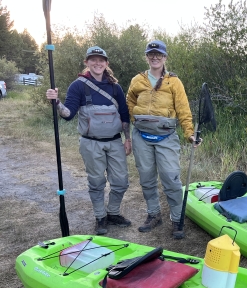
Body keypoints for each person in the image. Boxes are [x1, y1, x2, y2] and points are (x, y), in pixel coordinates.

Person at [46, 46, 132, 235]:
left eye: (101, 60)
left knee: (121, 181)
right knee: (96, 182)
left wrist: (128, 139)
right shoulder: (78, 85)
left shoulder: (115, 87)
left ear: (106, 63)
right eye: (93, 60)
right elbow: (68, 114)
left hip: (115, 141)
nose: (97, 63)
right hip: (90, 143)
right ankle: (100, 218)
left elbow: (124, 114)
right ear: (87, 62)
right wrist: (57, 102)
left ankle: (113, 213)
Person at [127, 40, 201, 239]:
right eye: (151, 54)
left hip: (166, 137)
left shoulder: (173, 82)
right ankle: (154, 214)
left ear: (165, 57)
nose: (155, 57)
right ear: (147, 57)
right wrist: (135, 119)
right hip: (141, 136)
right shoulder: (137, 80)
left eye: (158, 54)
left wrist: (189, 133)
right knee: (147, 177)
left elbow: (184, 109)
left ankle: (177, 219)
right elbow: (130, 101)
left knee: (171, 177)